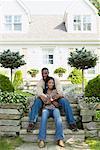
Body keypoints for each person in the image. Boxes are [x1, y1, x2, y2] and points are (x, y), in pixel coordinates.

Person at [27, 67, 77, 132]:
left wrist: (55, 98)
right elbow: (40, 93)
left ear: (48, 73)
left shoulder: (55, 80)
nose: (44, 75)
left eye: (45, 73)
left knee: (64, 101)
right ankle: (31, 122)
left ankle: (72, 123)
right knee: (37, 101)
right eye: (43, 74)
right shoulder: (40, 82)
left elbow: (60, 92)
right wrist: (46, 99)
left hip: (56, 98)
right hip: (45, 99)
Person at [38, 77, 64, 148]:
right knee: (43, 118)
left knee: (58, 119)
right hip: (46, 109)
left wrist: (52, 101)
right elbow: (43, 103)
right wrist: (46, 102)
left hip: (54, 109)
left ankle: (60, 139)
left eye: (52, 83)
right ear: (47, 84)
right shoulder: (43, 92)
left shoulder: (56, 91)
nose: (51, 84)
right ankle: (42, 140)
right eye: (49, 82)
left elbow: (58, 105)